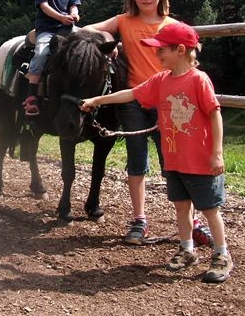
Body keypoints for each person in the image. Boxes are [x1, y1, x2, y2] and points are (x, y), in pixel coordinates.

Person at [80, 22, 232, 283]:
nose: (157, 53)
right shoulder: (162, 80)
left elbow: (215, 114)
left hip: (200, 162)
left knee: (210, 209)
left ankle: (221, 254)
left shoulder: (198, 80)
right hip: (174, 159)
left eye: (162, 49)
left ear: (180, 50)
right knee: (181, 207)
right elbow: (131, 94)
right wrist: (96, 100)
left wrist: (217, 153)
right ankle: (186, 250)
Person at [82, 0, 212, 246]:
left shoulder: (173, 25)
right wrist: (108, 39)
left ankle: (193, 222)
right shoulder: (123, 21)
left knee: (175, 161)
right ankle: (139, 219)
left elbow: (190, 55)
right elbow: (87, 29)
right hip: (134, 100)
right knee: (137, 159)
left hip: (169, 102)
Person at [24, 0, 80, 116]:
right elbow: (44, 7)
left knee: (88, 45)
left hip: (68, 27)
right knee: (41, 53)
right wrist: (61, 17)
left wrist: (74, 14)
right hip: (48, 29)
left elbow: (73, 5)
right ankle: (31, 95)